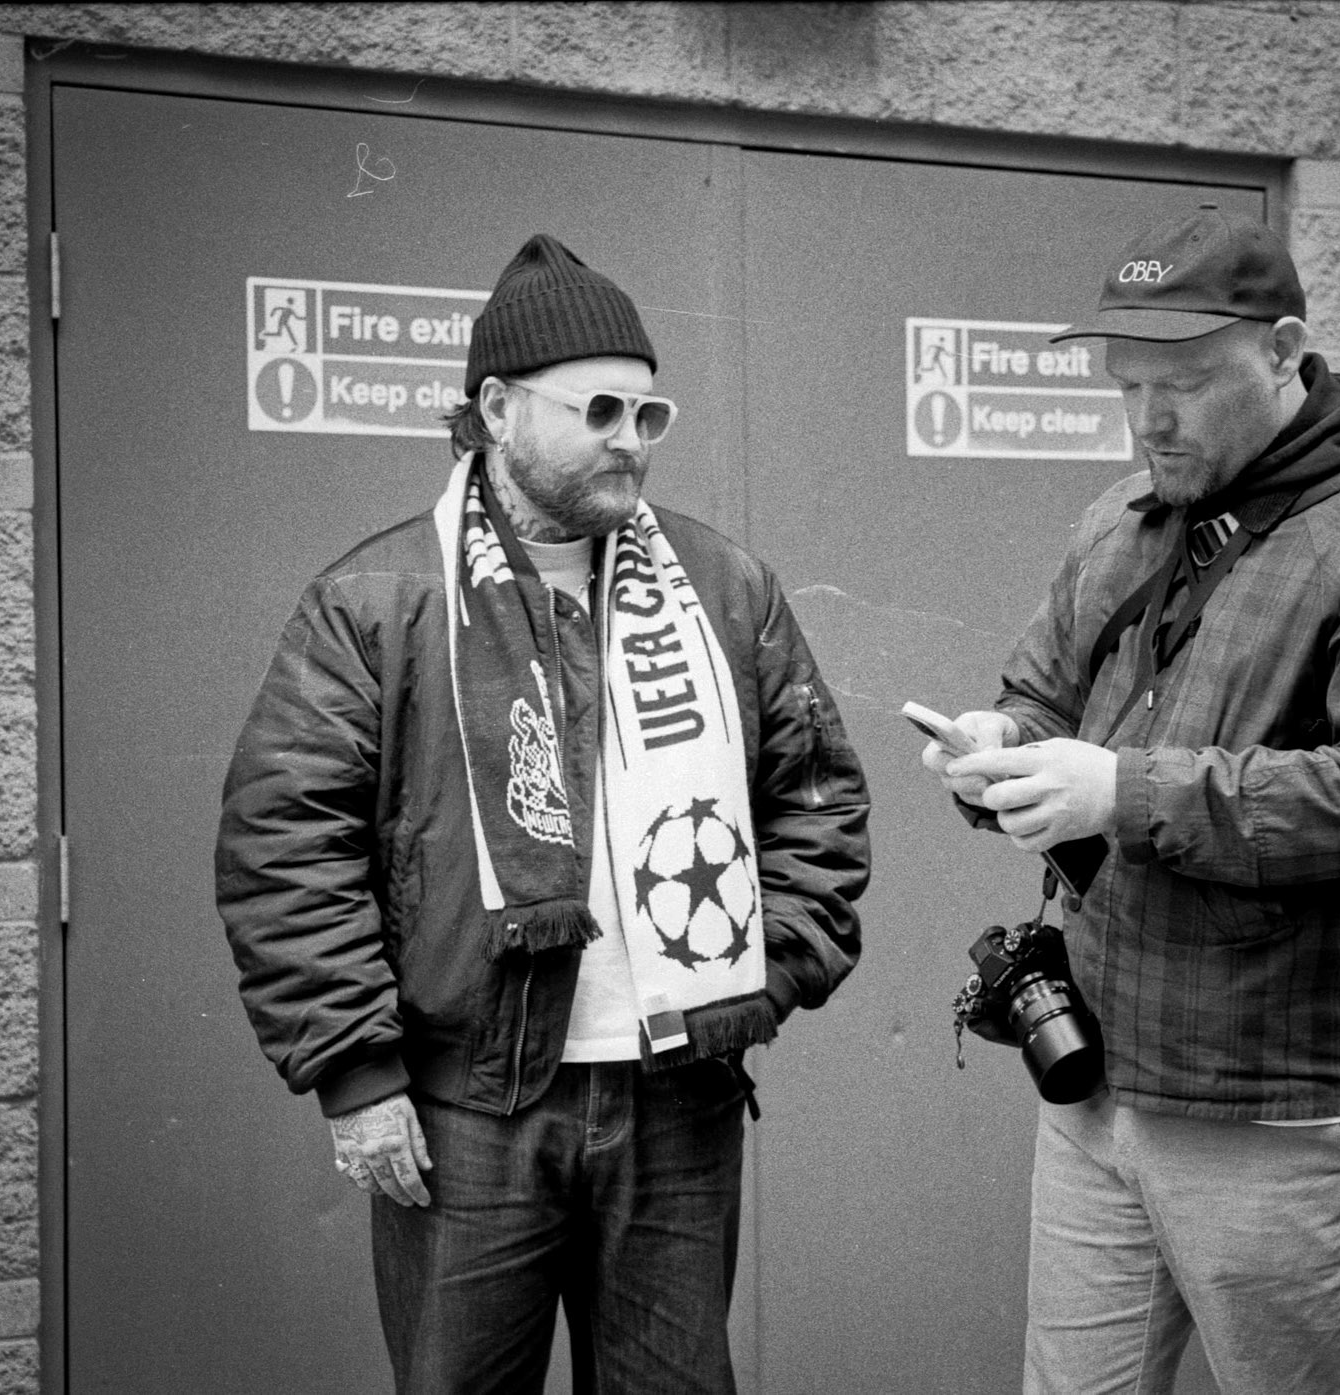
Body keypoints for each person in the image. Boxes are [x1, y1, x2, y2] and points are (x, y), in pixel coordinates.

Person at [216, 234, 870, 1394]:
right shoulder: (377, 601)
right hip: (468, 1110)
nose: (632, 439)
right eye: (602, 408)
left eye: (650, 413)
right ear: (497, 408)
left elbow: (816, 797)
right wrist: (357, 1075)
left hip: (678, 1095)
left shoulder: (725, 587)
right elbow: (287, 844)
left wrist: (764, 979)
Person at [920, 206, 1340, 1394]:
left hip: (1278, 1101)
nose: (1148, 420)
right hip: (1094, 1079)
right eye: (1127, 384)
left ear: (1284, 351)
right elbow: (1038, 697)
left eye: (1182, 381)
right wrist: (996, 751)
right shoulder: (1124, 519)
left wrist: (1118, 792)